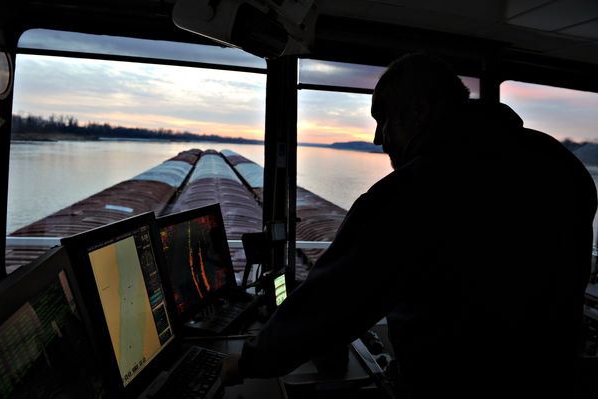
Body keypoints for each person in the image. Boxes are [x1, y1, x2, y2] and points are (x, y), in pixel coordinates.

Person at [221, 53, 598, 398]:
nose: (376, 138)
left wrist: (246, 362)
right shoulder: (561, 165)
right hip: (555, 381)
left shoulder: (415, 189)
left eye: (382, 119)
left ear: (417, 112)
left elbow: (335, 300)